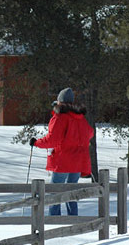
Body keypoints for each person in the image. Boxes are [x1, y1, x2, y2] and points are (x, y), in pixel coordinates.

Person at [29, 87, 94, 216]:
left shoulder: (60, 118)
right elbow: (90, 132)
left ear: (60, 102)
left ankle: (54, 220)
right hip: (77, 162)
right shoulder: (80, 117)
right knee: (71, 192)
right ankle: (72, 219)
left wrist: (36, 143)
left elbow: (52, 140)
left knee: (55, 192)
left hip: (63, 161)